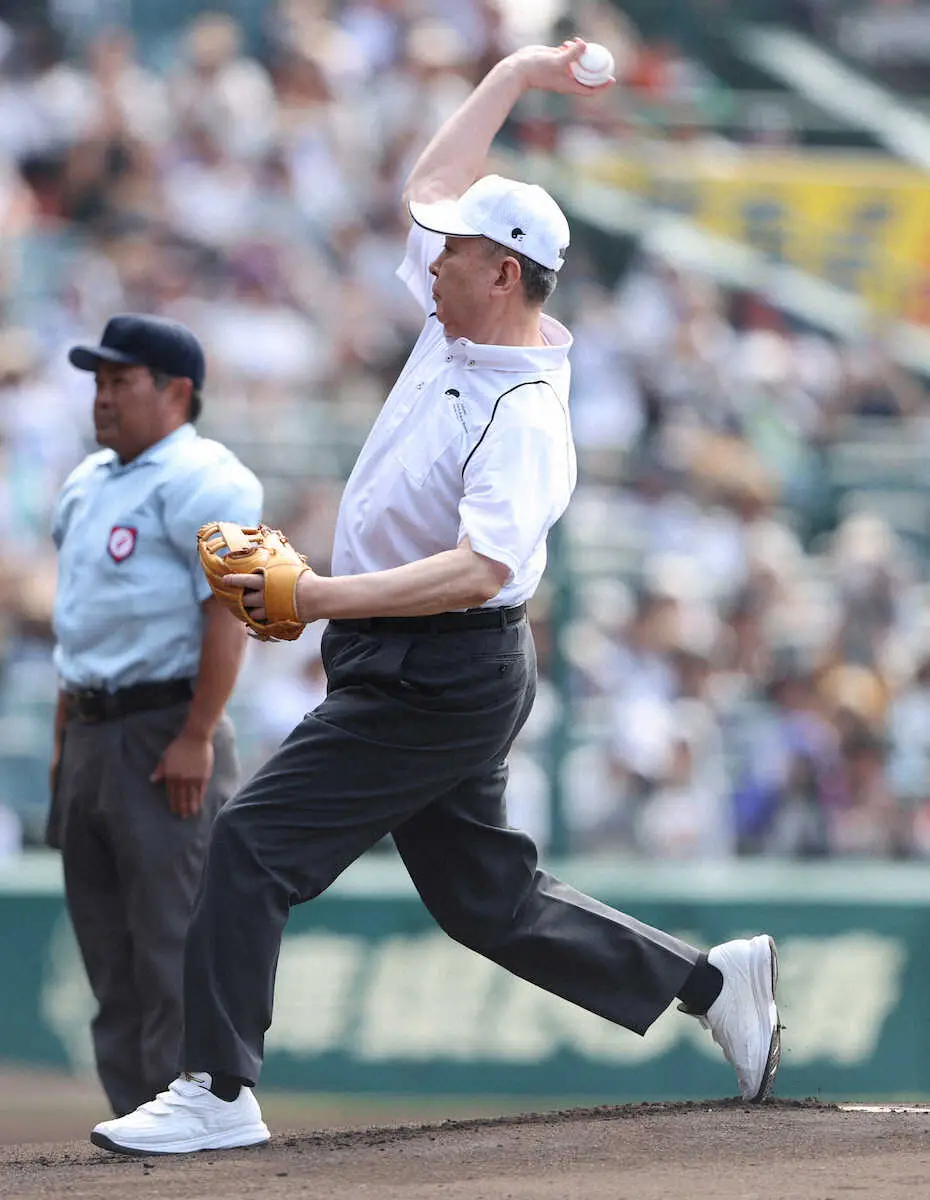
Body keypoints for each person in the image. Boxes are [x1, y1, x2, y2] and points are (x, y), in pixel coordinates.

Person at [91, 41, 780, 1156]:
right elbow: (427, 183)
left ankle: (217, 1087)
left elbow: (481, 572)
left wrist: (316, 597)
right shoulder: (458, 317)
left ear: (503, 272)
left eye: (453, 251)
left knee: (252, 840)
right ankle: (712, 985)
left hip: (442, 667)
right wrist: (514, 72)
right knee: (486, 903)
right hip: (410, 658)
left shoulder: (527, 416)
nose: (430, 256)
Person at [49, 313, 262, 1118]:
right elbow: (80, 623)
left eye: (119, 381)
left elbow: (230, 611)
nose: (102, 398)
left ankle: (194, 1118)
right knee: (108, 953)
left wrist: (199, 733)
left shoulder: (210, 477)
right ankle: (135, 1118)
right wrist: (64, 740)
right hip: (93, 728)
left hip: (164, 726)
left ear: (177, 391)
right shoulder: (86, 481)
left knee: (173, 944)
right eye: (98, 383)